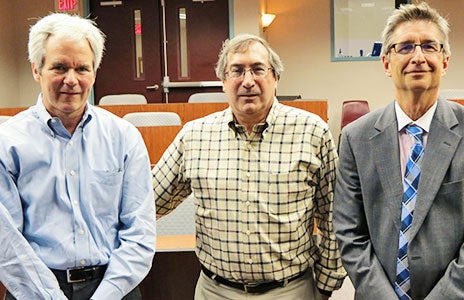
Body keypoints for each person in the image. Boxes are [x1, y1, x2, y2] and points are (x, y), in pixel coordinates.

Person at [152, 33, 346, 299]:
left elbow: (334, 215)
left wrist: (325, 285)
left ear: (275, 78)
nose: (248, 81)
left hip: (289, 291)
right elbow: (148, 202)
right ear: (223, 82)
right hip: (215, 291)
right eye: (237, 71)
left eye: (257, 69)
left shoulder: (312, 132)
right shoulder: (194, 136)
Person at [333, 2, 464, 300]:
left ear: (445, 61)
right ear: (386, 63)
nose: (418, 57)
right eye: (406, 47)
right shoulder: (355, 138)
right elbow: (350, 233)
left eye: (429, 46)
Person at [0, 13, 156, 299]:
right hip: (34, 289)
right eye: (59, 67)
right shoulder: (7, 142)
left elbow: (139, 233)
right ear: (37, 70)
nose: (71, 80)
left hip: (114, 287)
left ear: (94, 73)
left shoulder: (124, 138)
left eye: (82, 68)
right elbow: (6, 241)